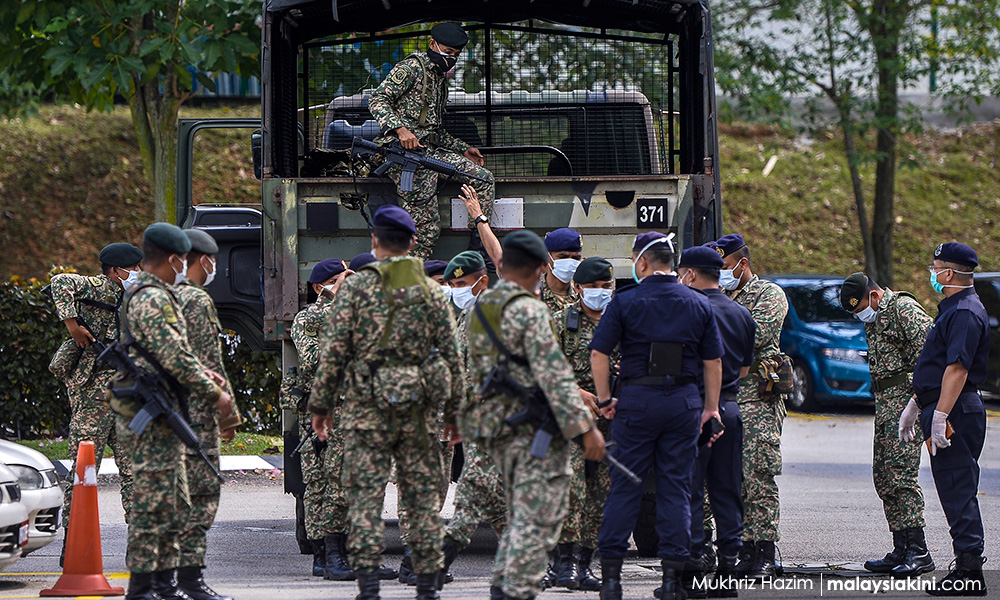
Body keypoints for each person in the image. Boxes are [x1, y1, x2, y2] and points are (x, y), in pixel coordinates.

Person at [309, 205, 465, 600]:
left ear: (374, 242)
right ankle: (427, 583)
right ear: (413, 242)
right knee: (421, 494)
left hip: (367, 407)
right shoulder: (431, 291)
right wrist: (454, 414)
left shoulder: (356, 289)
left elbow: (334, 353)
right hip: (421, 407)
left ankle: (369, 586)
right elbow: (452, 357)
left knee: (366, 494)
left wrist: (321, 408)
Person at [464, 229, 604, 600]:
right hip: (529, 430)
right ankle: (515, 588)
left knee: (514, 511)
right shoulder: (530, 310)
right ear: (542, 267)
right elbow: (554, 374)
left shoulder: (481, 307)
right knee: (534, 516)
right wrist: (586, 430)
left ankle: (503, 582)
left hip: (493, 428)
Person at [591, 233, 723, 600]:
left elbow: (600, 354)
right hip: (683, 402)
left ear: (643, 263)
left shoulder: (626, 301)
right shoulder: (697, 303)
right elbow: (713, 361)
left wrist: (605, 400)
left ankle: (612, 581)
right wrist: (710, 408)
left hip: (635, 401)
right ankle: (670, 582)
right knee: (676, 489)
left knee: (624, 488)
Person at [113, 223, 233, 600]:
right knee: (153, 506)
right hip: (149, 418)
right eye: (182, 259)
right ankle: (143, 587)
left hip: (164, 413)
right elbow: (177, 357)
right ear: (173, 258)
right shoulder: (151, 298)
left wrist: (202, 374)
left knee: (175, 501)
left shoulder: (159, 295)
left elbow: (173, 358)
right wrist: (216, 393)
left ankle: (165, 585)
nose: (185, 265)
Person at [899, 243, 989, 597]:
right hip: (946, 406)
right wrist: (916, 403)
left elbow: (957, 368)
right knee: (956, 488)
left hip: (955, 410)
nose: (932, 273)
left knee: (958, 488)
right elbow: (938, 366)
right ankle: (967, 565)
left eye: (935, 268)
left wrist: (939, 416)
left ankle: (969, 570)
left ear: (948, 273)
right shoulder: (953, 309)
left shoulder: (965, 311)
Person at [368, 23, 494, 259]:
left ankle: (479, 254)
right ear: (432, 44)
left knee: (483, 178)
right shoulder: (412, 68)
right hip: (405, 156)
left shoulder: (438, 80)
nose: (451, 59)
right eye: (447, 52)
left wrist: (463, 148)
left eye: (455, 55)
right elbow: (377, 100)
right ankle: (410, 283)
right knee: (425, 230)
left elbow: (434, 131)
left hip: (428, 152)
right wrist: (400, 130)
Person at [840, 272, 934, 577]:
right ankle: (901, 546)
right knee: (883, 475)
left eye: (860, 308)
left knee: (901, 474)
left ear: (874, 296)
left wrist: (917, 401)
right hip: (885, 404)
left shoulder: (903, 310)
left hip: (907, 404)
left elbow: (931, 356)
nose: (860, 316)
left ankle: (918, 551)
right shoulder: (875, 318)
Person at [678, 246, 755, 598]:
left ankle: (693, 569)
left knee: (691, 490)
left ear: (690, 274)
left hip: (694, 409)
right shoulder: (742, 313)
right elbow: (743, 368)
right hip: (730, 406)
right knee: (727, 490)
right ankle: (728, 570)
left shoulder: (686, 309)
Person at [49, 243, 140, 537]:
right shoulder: (101, 287)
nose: (138, 273)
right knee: (85, 470)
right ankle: (74, 543)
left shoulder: (134, 298)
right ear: (116, 271)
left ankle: (142, 541)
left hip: (126, 393)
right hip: (94, 396)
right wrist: (72, 325)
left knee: (135, 471)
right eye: (133, 268)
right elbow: (59, 281)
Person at [172, 229, 241, 600]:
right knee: (201, 498)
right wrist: (226, 414)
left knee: (178, 498)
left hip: (176, 414)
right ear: (206, 261)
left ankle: (172, 579)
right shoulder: (196, 301)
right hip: (197, 415)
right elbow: (207, 363)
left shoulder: (164, 297)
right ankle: (189, 581)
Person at [282, 258, 361, 581]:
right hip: (323, 413)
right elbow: (313, 359)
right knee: (321, 484)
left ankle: (337, 552)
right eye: (339, 279)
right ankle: (324, 552)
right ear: (320, 287)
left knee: (346, 483)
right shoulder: (310, 317)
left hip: (352, 409)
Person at [715, 233, 788, 579]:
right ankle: (742, 546)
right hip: (727, 395)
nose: (721, 274)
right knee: (731, 478)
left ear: (742, 263)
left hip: (758, 397)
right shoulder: (719, 294)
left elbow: (753, 336)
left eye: (725, 266)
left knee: (758, 474)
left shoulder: (768, 295)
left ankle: (765, 551)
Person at [439, 251, 507, 581]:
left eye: (462, 283)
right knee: (495, 497)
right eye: (451, 284)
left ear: (483, 282)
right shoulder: (469, 314)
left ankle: (440, 559)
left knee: (471, 486)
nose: (455, 290)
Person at [552, 257, 617, 592]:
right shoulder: (562, 321)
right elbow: (546, 367)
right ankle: (564, 562)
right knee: (571, 490)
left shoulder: (622, 320)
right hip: (571, 420)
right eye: (592, 287)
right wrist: (578, 393)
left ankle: (584, 561)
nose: (599, 293)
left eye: (605, 287)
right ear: (577, 288)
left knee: (601, 494)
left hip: (611, 420)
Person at [540, 228, 583, 314]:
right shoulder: (533, 293)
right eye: (563, 257)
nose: (570, 262)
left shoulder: (583, 296)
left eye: (576, 258)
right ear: (547, 257)